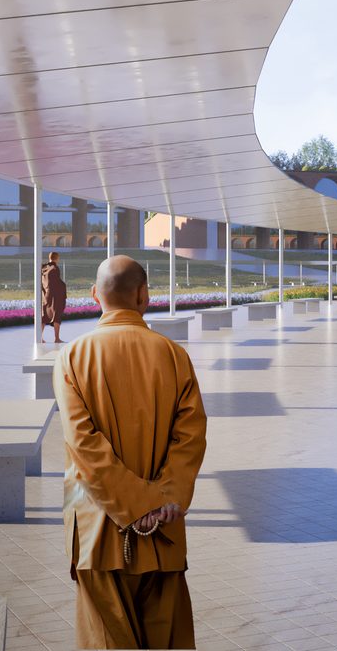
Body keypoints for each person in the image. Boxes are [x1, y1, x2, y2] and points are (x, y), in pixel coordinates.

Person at [54, 256, 207, 649]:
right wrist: (165, 500)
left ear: (93, 295)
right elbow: (190, 435)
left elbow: (83, 444)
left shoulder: (73, 356)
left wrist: (135, 505)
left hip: (97, 530)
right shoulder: (174, 355)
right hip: (164, 530)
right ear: (144, 296)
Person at [41, 251, 67, 343]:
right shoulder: (55, 268)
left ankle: (39, 337)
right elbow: (56, 283)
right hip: (55, 296)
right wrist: (64, 286)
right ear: (57, 258)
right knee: (56, 315)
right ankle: (57, 338)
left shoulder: (44, 267)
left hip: (45, 296)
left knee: (44, 316)